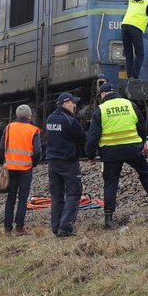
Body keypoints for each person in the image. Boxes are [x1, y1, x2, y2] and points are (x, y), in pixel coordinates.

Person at [85, 83, 148, 230]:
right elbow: (142, 126)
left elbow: (93, 137)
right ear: (114, 92)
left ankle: (109, 218)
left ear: (103, 94)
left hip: (110, 153)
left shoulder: (100, 110)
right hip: (132, 149)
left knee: (110, 183)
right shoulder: (130, 105)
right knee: (145, 173)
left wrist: (90, 155)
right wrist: (141, 144)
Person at [45, 92, 86, 237]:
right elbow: (82, 138)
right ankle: (66, 226)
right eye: (73, 103)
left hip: (53, 163)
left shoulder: (50, 119)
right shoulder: (70, 120)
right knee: (74, 194)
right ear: (65, 103)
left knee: (56, 196)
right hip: (68, 162)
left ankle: (56, 228)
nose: (75, 105)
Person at [0, 104, 42, 236]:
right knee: (23, 198)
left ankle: (7, 229)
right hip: (25, 169)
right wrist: (32, 164)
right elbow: (37, 151)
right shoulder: (34, 130)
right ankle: (19, 227)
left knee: (10, 198)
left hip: (10, 168)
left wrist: (6, 160)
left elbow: (1, 148)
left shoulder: (9, 127)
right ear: (29, 115)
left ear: (17, 115)